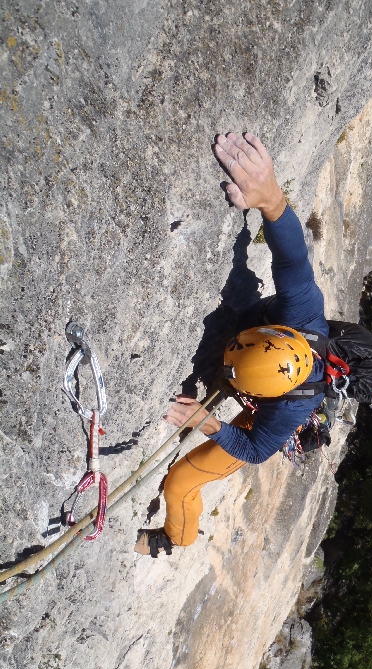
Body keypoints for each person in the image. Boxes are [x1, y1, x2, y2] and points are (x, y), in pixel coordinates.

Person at [135, 132, 329, 557]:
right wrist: (271, 200)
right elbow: (292, 259)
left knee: (180, 481)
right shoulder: (302, 314)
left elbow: (256, 450)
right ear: (277, 333)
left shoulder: (285, 412)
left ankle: (175, 537)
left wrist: (208, 423)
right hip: (273, 380)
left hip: (269, 423)